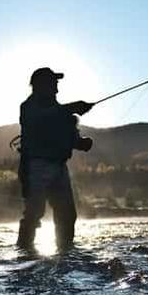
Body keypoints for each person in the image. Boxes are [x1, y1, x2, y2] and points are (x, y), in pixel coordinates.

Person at [16, 67, 94, 250]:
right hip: (35, 166)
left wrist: (82, 143)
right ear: (40, 85)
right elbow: (41, 120)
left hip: (60, 168)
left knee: (67, 215)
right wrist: (72, 108)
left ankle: (65, 253)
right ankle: (23, 254)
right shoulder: (28, 108)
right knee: (34, 214)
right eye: (53, 84)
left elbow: (68, 136)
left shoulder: (60, 112)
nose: (57, 89)